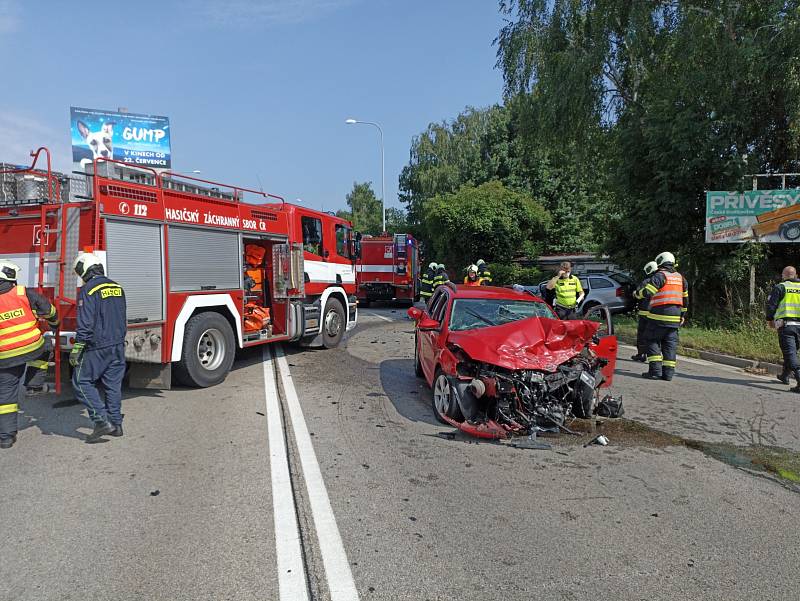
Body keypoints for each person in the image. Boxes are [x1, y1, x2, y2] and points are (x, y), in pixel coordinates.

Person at [0, 260, 58, 449]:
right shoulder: (22, 292)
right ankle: (34, 385)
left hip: (5, 357)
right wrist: (55, 324)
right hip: (33, 346)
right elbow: (48, 310)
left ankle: (6, 437)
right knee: (47, 345)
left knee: (6, 397)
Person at [71, 252, 128, 443]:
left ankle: (100, 420)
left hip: (97, 346)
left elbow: (86, 322)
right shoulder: (117, 287)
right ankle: (116, 424)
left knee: (81, 381)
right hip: (117, 345)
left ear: (86, 269)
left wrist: (78, 346)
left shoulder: (89, 290)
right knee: (112, 385)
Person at [635, 251, 688, 381]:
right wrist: (683, 315)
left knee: (651, 340)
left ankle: (655, 372)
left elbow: (648, 292)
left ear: (660, 263)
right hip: (675, 318)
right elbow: (685, 299)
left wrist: (637, 294)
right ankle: (668, 374)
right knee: (670, 345)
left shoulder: (660, 276)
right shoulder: (681, 278)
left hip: (658, 316)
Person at [766, 265, 800, 392]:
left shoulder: (781, 287)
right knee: (791, 351)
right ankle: (784, 376)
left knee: (790, 353)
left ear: (783, 276)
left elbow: (771, 306)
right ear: (796, 275)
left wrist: (770, 320)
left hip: (787, 326)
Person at [630, 261, 658, 362]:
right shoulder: (661, 281)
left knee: (642, 334)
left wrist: (634, 293)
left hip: (644, 312)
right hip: (656, 313)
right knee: (654, 335)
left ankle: (641, 354)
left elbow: (638, 294)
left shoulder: (646, 281)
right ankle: (654, 356)